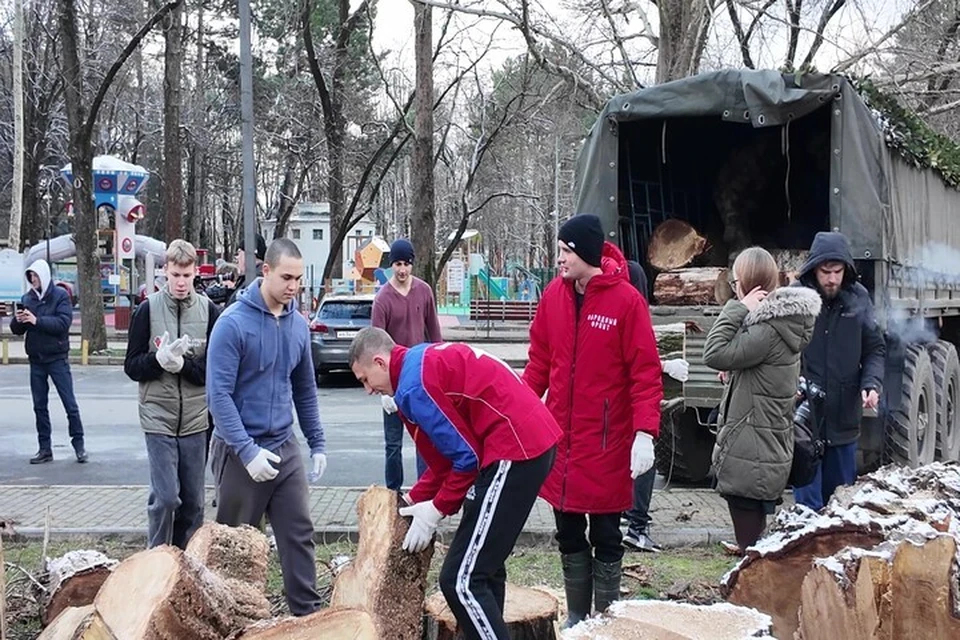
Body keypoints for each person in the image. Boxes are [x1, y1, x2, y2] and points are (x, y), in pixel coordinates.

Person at [348, 327, 560, 640]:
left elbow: (466, 458)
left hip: (515, 448)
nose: (367, 390)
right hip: (520, 443)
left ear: (380, 363)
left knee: (461, 580)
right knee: (484, 571)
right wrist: (411, 503)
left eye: (365, 379)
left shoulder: (412, 387)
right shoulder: (415, 365)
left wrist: (435, 510)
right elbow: (444, 460)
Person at [523, 213, 663, 627]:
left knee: (606, 536)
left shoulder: (626, 302)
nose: (559, 259)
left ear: (585, 252)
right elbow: (539, 364)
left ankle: (607, 619)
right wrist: (516, 412)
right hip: (561, 444)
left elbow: (645, 374)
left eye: (566, 251)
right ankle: (578, 617)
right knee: (567, 534)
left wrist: (644, 433)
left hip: (607, 443)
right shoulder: (553, 296)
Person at [206, 238, 327, 616]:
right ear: (266, 271)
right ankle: (230, 620)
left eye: (298, 280)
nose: (293, 286)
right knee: (236, 546)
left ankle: (307, 618)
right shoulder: (233, 324)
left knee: (299, 534)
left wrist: (317, 442)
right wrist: (246, 450)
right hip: (240, 451)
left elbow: (305, 388)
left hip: (283, 446)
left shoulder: (297, 326)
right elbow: (218, 396)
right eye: (286, 277)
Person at [703, 247, 822, 551]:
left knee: (751, 551)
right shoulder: (780, 325)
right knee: (754, 543)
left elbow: (713, 352)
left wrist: (737, 308)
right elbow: (756, 368)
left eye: (735, 283)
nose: (733, 289)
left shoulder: (767, 331)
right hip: (762, 449)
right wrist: (738, 371)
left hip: (751, 452)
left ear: (748, 285)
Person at [123, 239, 220, 549]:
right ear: (165, 272)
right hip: (158, 417)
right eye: (175, 275)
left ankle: (186, 564)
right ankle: (156, 557)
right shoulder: (147, 310)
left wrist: (183, 365)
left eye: (187, 276)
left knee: (193, 504)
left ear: (195, 275)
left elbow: (212, 371)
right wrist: (158, 361)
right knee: (166, 498)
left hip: (195, 419)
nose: (180, 283)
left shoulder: (209, 311)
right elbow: (132, 366)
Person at [792, 232, 885, 511]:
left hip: (844, 421)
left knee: (839, 507)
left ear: (846, 269)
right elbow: (780, 350)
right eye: (825, 272)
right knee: (805, 510)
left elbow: (875, 349)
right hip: (804, 422)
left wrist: (871, 383)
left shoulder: (859, 299)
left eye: (837, 271)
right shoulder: (797, 298)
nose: (832, 279)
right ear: (814, 269)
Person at [372, 238, 442, 491]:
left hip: (420, 378)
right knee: (393, 444)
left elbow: (434, 334)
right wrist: (382, 389)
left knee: (425, 440)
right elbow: (375, 344)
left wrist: (439, 370)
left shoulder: (424, 292)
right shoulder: (383, 299)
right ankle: (393, 494)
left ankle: (426, 492)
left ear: (413, 264)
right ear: (392, 265)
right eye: (398, 264)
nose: (402, 270)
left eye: (407, 264)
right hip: (392, 380)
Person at [10, 259, 87, 464]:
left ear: (43, 276)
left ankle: (79, 445)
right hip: (36, 360)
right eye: (30, 277)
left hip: (57, 358)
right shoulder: (28, 298)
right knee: (39, 406)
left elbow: (63, 323)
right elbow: (17, 330)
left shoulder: (60, 296)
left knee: (69, 403)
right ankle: (45, 448)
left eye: (35, 276)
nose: (33, 280)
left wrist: (37, 320)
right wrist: (18, 321)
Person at [225, 233, 266, 307]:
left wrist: (209, 305)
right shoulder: (258, 277)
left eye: (239, 252)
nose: (237, 258)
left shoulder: (253, 281)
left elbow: (235, 312)